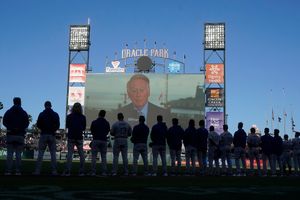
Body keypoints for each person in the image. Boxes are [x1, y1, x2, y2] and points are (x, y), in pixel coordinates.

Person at [3, 97, 29, 175]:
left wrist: (11, 128)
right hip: (20, 135)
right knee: (18, 154)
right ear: (20, 102)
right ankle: (18, 170)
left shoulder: (9, 111)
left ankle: (8, 170)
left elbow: (4, 122)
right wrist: (20, 129)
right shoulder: (23, 112)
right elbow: (27, 123)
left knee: (9, 154)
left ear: (13, 102)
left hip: (11, 134)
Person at [33, 101, 60, 176]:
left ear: (45, 106)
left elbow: (38, 124)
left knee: (40, 154)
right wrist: (52, 130)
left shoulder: (42, 114)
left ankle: (37, 171)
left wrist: (43, 129)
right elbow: (57, 125)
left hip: (44, 134)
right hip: (52, 135)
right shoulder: (55, 114)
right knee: (53, 154)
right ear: (51, 106)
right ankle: (54, 171)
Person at [63, 102, 86, 176]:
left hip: (71, 136)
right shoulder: (83, 117)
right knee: (81, 154)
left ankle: (68, 171)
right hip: (79, 136)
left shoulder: (69, 116)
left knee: (70, 154)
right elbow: (84, 128)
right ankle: (81, 171)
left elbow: (67, 126)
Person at [89, 110, 110, 176]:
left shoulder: (94, 122)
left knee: (94, 157)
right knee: (103, 157)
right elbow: (107, 132)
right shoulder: (107, 122)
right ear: (104, 115)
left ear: (99, 114)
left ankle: (93, 172)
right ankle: (104, 172)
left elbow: (92, 131)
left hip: (96, 139)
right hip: (103, 140)